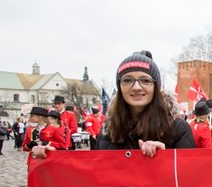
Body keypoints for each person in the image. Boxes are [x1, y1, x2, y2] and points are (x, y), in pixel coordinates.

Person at [33, 50, 195, 159]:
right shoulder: (108, 132)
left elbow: (192, 182)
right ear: (120, 86)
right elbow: (92, 178)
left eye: (145, 80)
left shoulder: (178, 129)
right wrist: (53, 158)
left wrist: (166, 158)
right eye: (128, 80)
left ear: (155, 87)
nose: (136, 87)